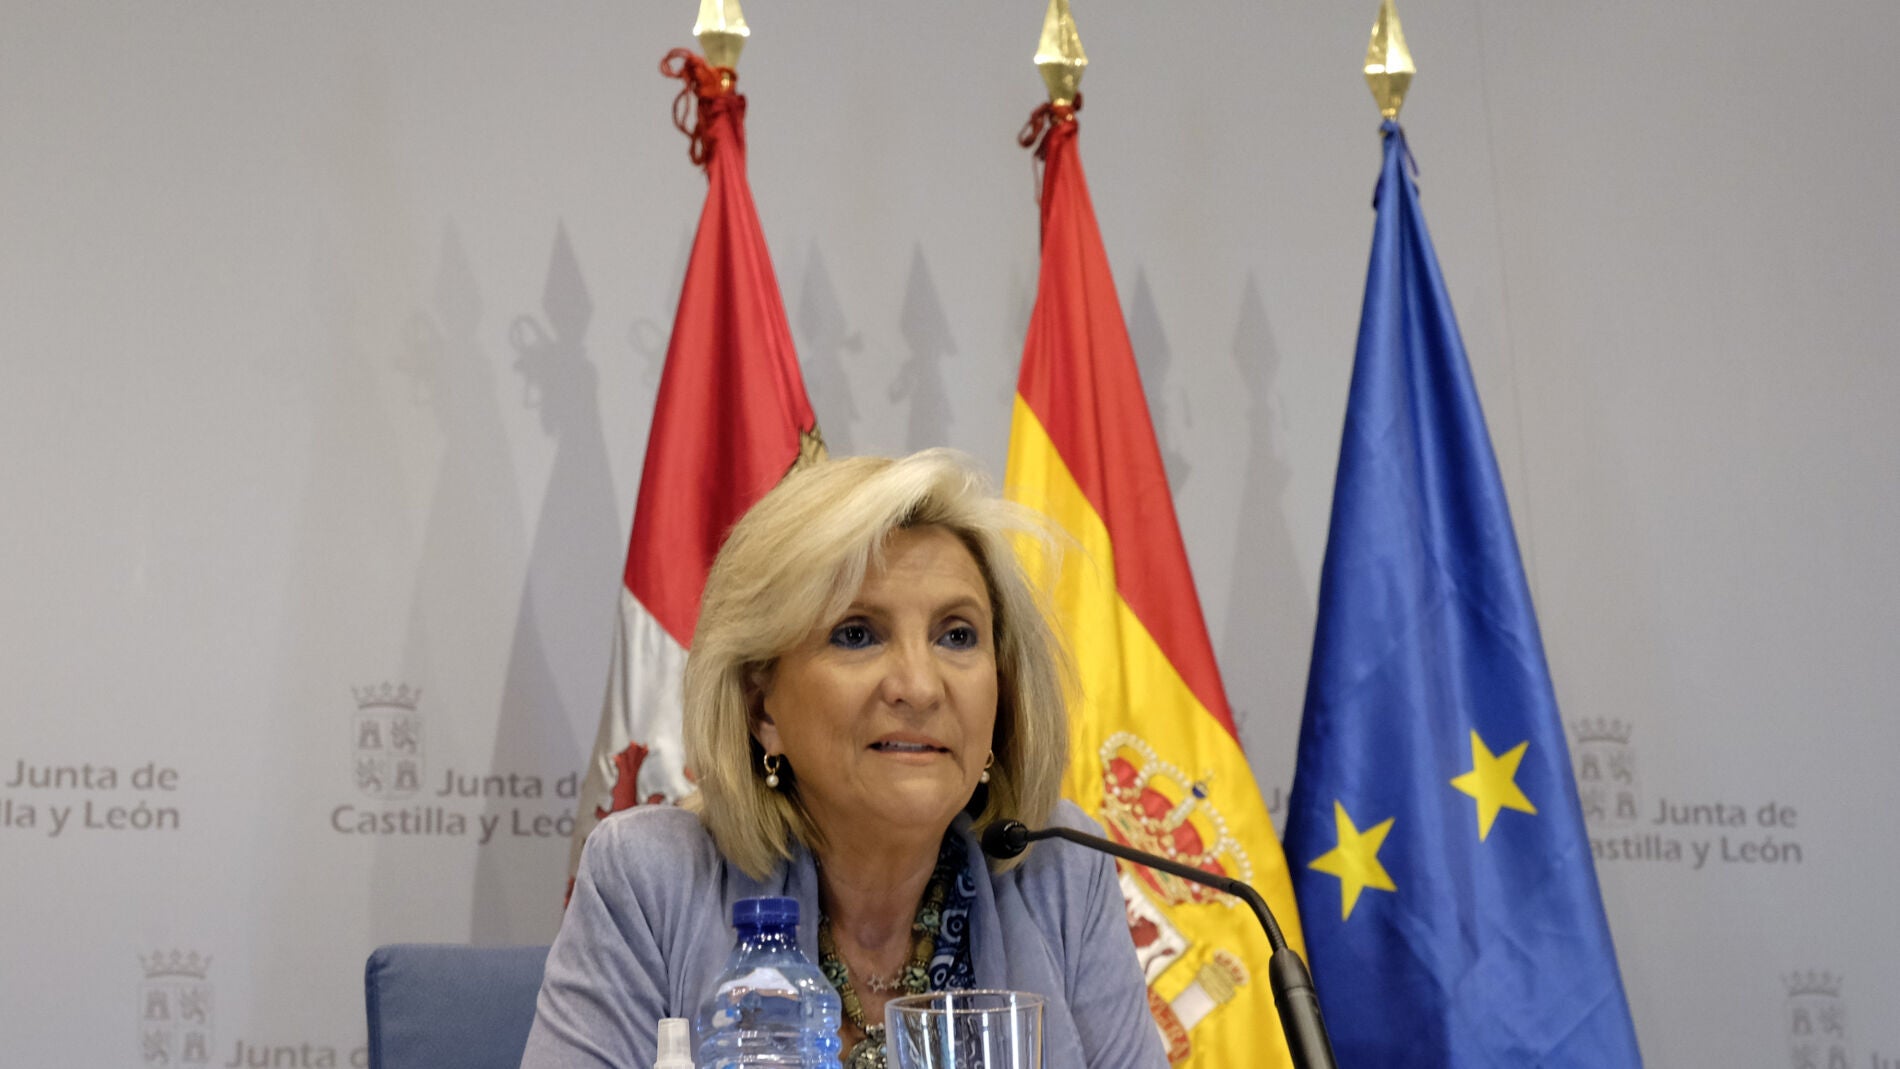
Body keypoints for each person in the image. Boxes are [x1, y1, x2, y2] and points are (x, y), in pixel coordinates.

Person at [520, 449, 1166, 1069]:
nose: (919, 686)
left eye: (956, 635)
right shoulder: (649, 881)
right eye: (857, 634)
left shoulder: (1060, 874)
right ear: (762, 709)